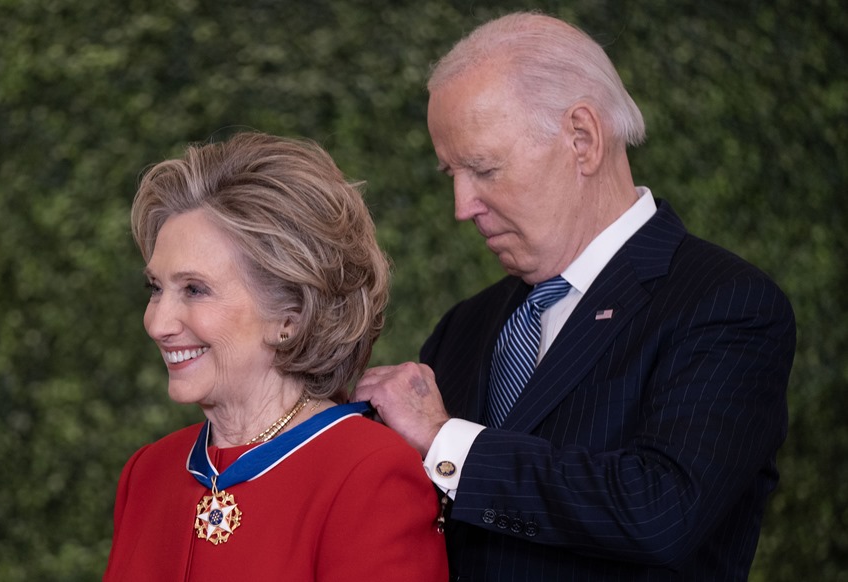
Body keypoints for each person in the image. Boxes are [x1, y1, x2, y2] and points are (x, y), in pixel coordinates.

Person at [353, 11, 796, 581]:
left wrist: (445, 441)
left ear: (582, 138)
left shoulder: (727, 304)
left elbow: (660, 511)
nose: (462, 206)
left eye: (484, 168)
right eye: (451, 175)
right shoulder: (465, 325)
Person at [104, 131, 448, 581]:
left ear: (291, 315)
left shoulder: (369, 472)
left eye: (194, 289)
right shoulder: (148, 472)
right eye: (156, 288)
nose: (157, 322)